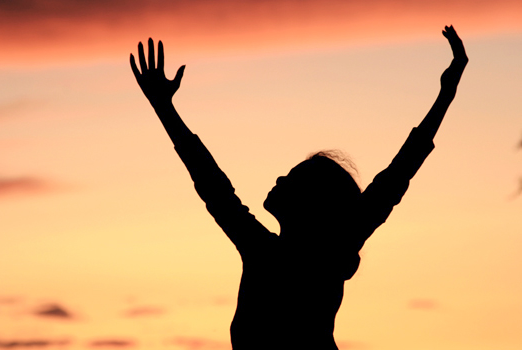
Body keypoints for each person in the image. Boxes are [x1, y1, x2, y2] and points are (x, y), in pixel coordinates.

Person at [130, 25, 468, 350]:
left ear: (313, 202)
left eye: (291, 179)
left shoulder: (309, 251)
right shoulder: (279, 249)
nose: (279, 180)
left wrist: (445, 96)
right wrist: (163, 107)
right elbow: (211, 185)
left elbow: (397, 175)